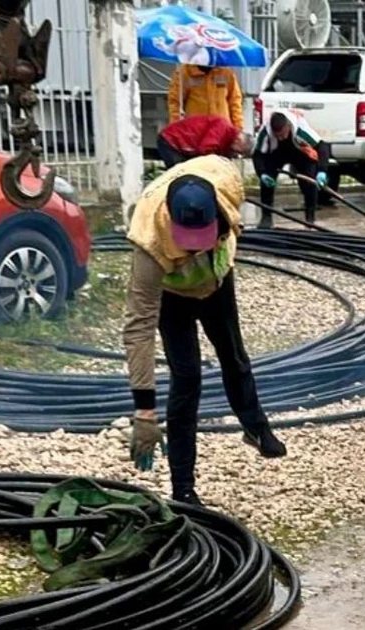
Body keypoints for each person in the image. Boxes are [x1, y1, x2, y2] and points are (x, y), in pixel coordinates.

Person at [123, 155, 287, 507]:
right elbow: (138, 329)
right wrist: (144, 412)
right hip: (174, 298)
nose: (195, 246)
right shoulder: (148, 242)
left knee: (233, 354)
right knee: (187, 379)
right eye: (188, 241)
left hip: (217, 283)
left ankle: (255, 426)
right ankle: (183, 486)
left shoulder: (226, 182)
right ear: (170, 218)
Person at [252, 110, 330, 228]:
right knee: (267, 178)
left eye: (283, 134)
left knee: (309, 179)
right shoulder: (265, 132)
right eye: (278, 136)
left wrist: (322, 171)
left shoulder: (301, 129)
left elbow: (322, 147)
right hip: (276, 152)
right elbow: (258, 154)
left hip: (298, 150)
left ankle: (310, 218)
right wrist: (262, 173)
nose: (282, 138)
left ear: (288, 126)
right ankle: (266, 217)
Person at [156, 114, 252, 167]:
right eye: (239, 152)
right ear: (239, 140)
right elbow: (205, 149)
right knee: (179, 174)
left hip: (184, 144)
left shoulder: (229, 142)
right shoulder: (221, 127)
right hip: (172, 140)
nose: (237, 154)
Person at [167, 64, 244, 129]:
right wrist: (176, 128)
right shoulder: (184, 73)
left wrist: (238, 128)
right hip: (195, 132)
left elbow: (235, 102)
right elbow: (175, 102)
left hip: (222, 131)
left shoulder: (225, 72)